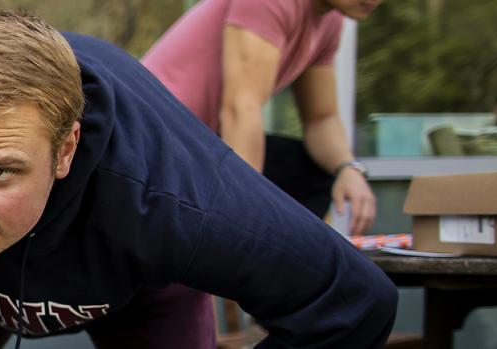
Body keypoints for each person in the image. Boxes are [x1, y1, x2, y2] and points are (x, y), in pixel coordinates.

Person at [0, 10, 397, 349]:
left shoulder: (171, 197)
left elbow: (353, 301)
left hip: (135, 283)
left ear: (64, 150)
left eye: (0, 169)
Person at [142, 0, 380, 234]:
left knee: (312, 174)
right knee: (249, 207)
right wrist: (245, 210)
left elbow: (321, 119)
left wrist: (348, 168)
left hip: (199, 143)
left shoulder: (329, 21)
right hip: (149, 141)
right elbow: (240, 108)